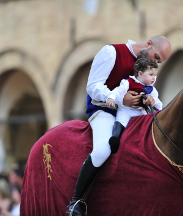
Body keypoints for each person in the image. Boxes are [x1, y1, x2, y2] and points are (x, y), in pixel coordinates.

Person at [66, 35, 171, 215]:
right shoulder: (111, 52)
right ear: (149, 43)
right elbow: (92, 86)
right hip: (104, 112)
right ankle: (76, 201)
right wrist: (119, 98)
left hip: (135, 114)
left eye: (158, 62)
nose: (155, 63)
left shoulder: (145, 67)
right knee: (103, 150)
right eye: (156, 57)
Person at [106, 57, 162, 147]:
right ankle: (115, 138)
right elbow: (117, 91)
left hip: (141, 112)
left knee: (146, 125)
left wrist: (152, 101)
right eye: (151, 74)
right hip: (126, 110)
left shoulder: (152, 89)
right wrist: (111, 98)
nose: (153, 78)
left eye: (155, 75)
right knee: (121, 121)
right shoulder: (128, 83)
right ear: (140, 73)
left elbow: (158, 103)